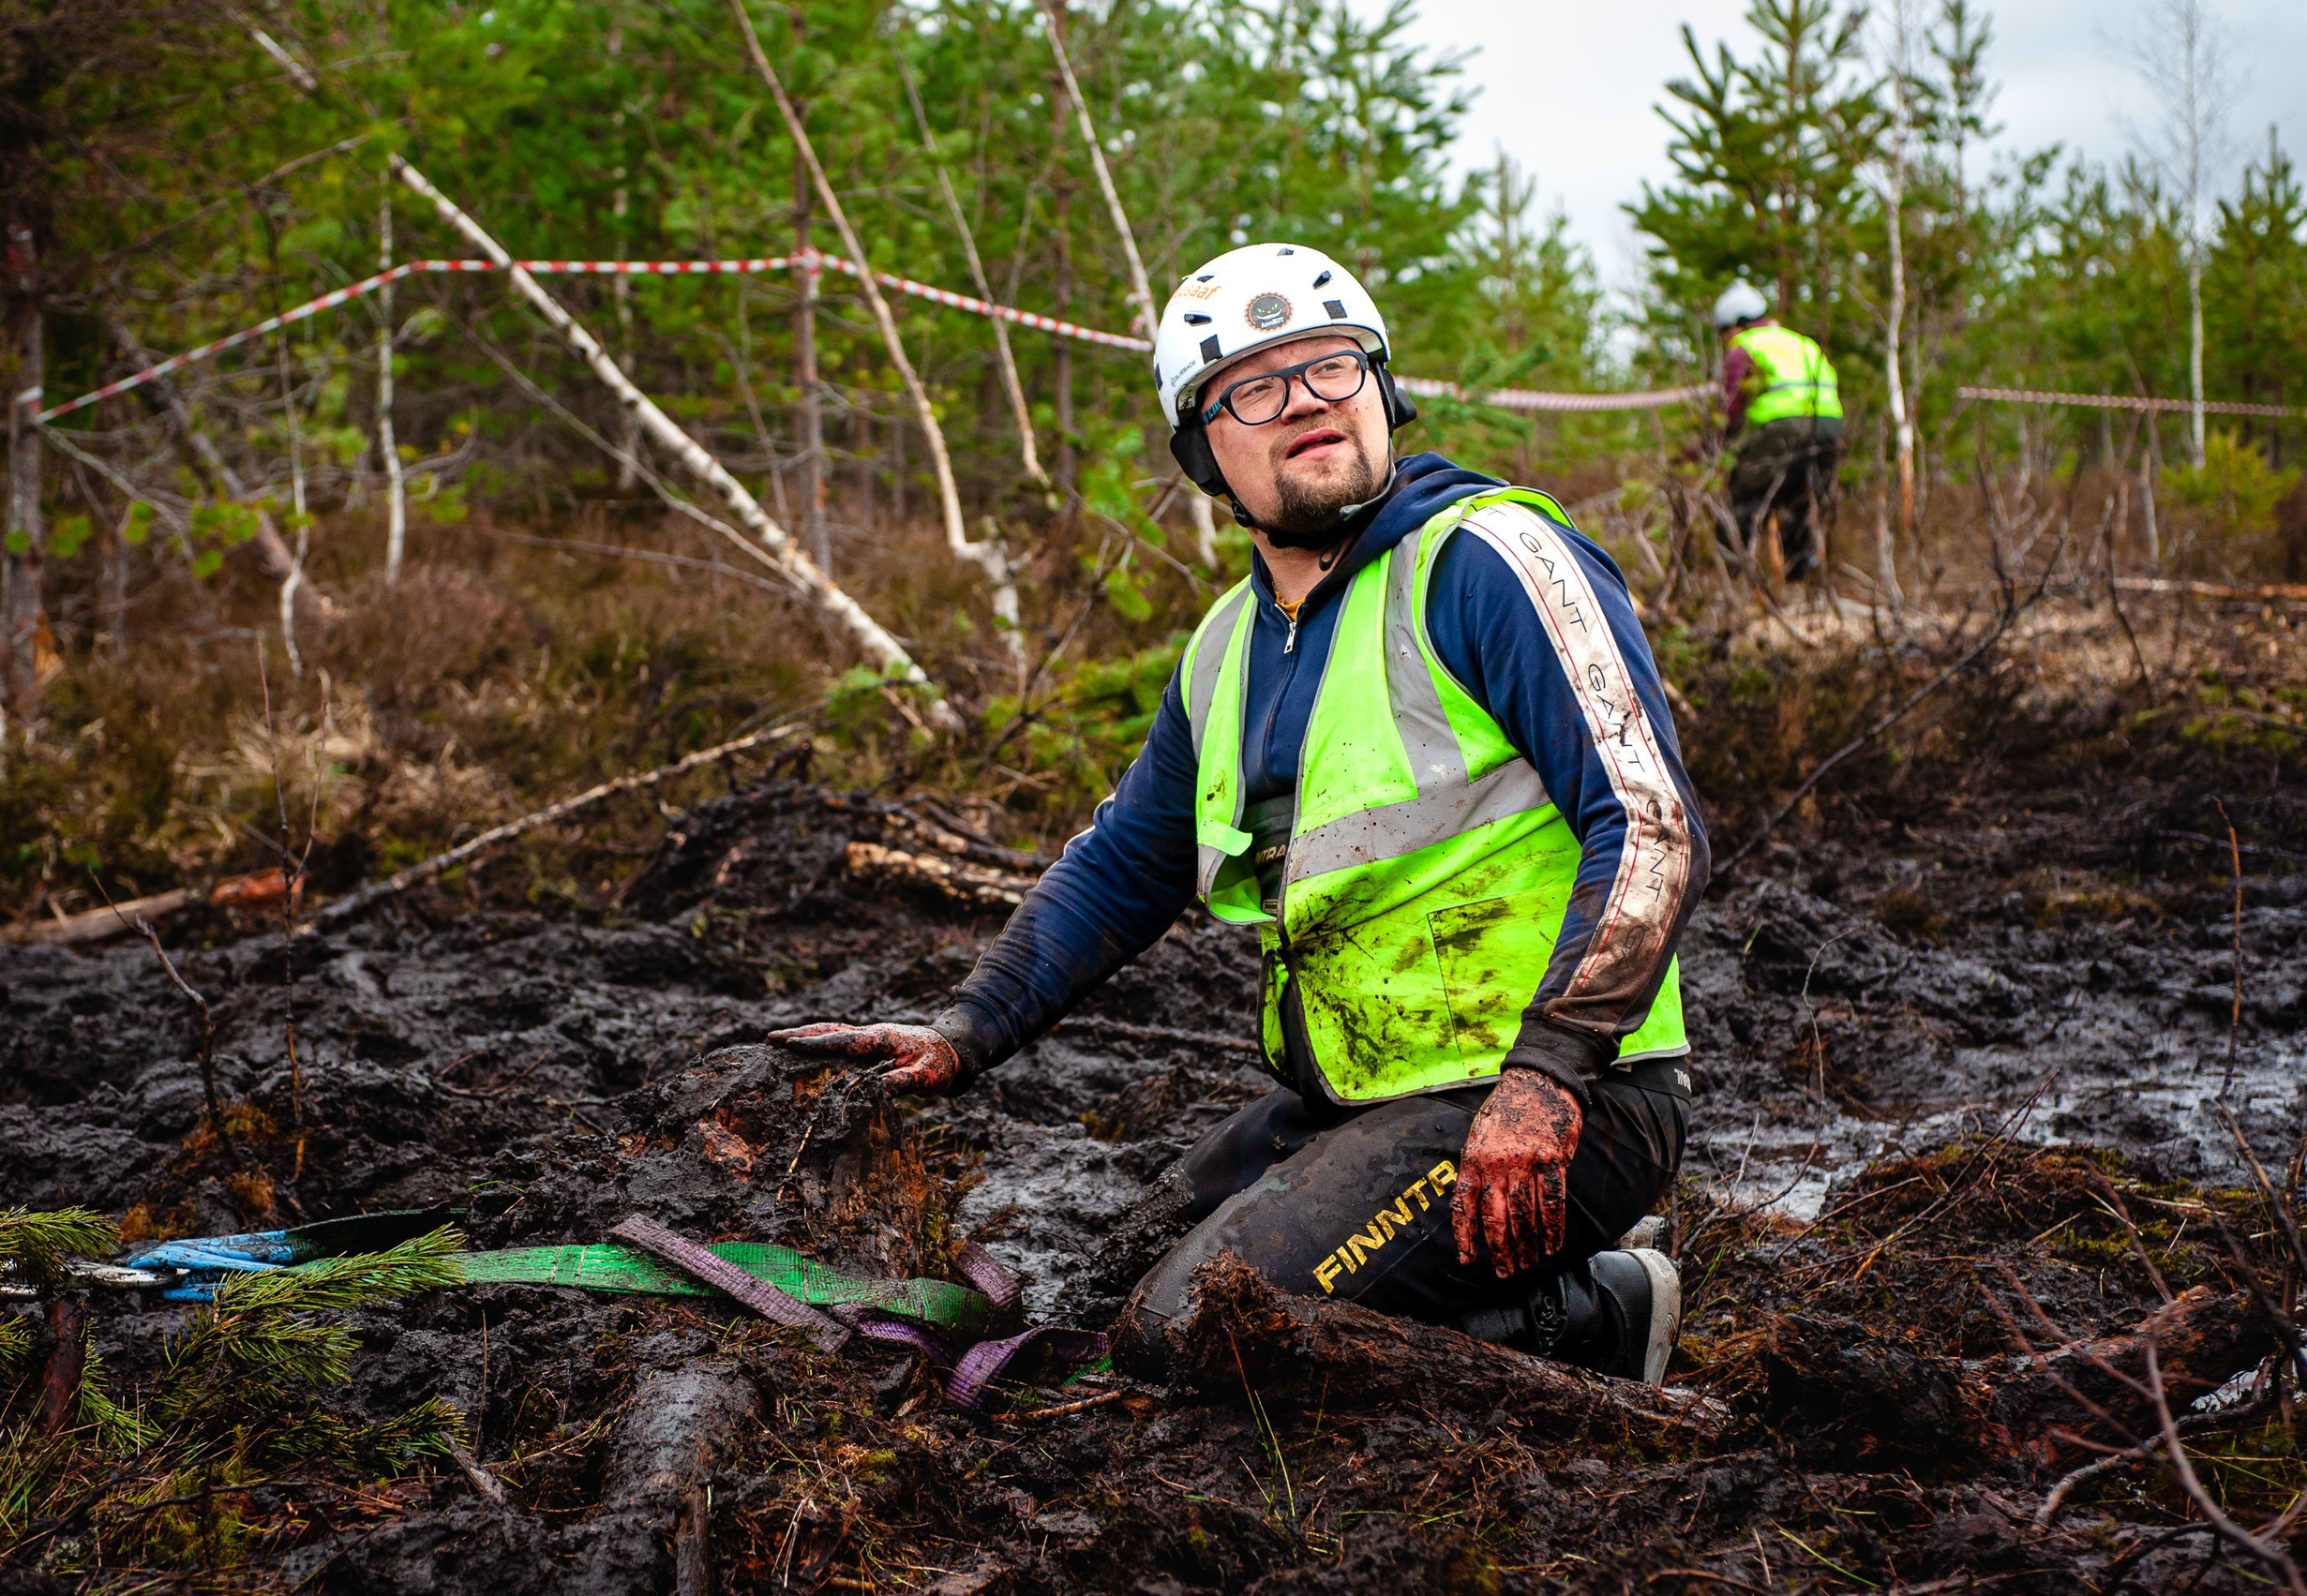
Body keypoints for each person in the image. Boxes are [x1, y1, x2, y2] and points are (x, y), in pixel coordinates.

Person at [773, 244, 1706, 1384]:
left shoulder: (1487, 561)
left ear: (1385, 391)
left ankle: (1602, 1311)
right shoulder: (1227, 648)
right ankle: (1503, 1276)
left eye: (1332, 368)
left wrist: (1547, 1075)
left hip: (1563, 1098)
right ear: (1201, 450)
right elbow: (1125, 864)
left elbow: (1650, 827)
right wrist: (964, 1031)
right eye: (1255, 389)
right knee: (1114, 1281)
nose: (1306, 401)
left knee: (1196, 1331)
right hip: (1360, 1101)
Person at [1714, 281, 1844, 582]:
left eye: (1725, 333)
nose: (1726, 341)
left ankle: (1730, 582)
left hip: (1786, 426)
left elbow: (1731, 408)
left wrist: (1715, 446)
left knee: (1740, 500)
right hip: (1829, 427)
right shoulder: (1801, 342)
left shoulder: (1744, 347)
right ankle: (1800, 585)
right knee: (1801, 503)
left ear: (1736, 324)